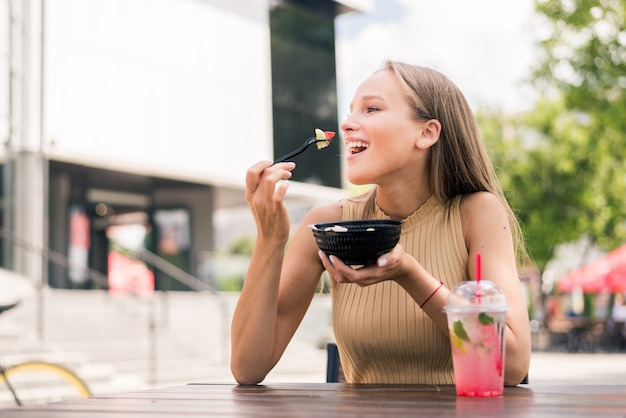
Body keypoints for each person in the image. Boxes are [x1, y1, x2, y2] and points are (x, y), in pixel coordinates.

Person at [231, 60, 532, 386]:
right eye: (350, 111)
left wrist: (409, 274)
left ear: (426, 133)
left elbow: (512, 366)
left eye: (371, 109)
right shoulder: (328, 224)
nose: (347, 124)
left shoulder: (477, 214)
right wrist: (270, 239)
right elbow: (248, 368)